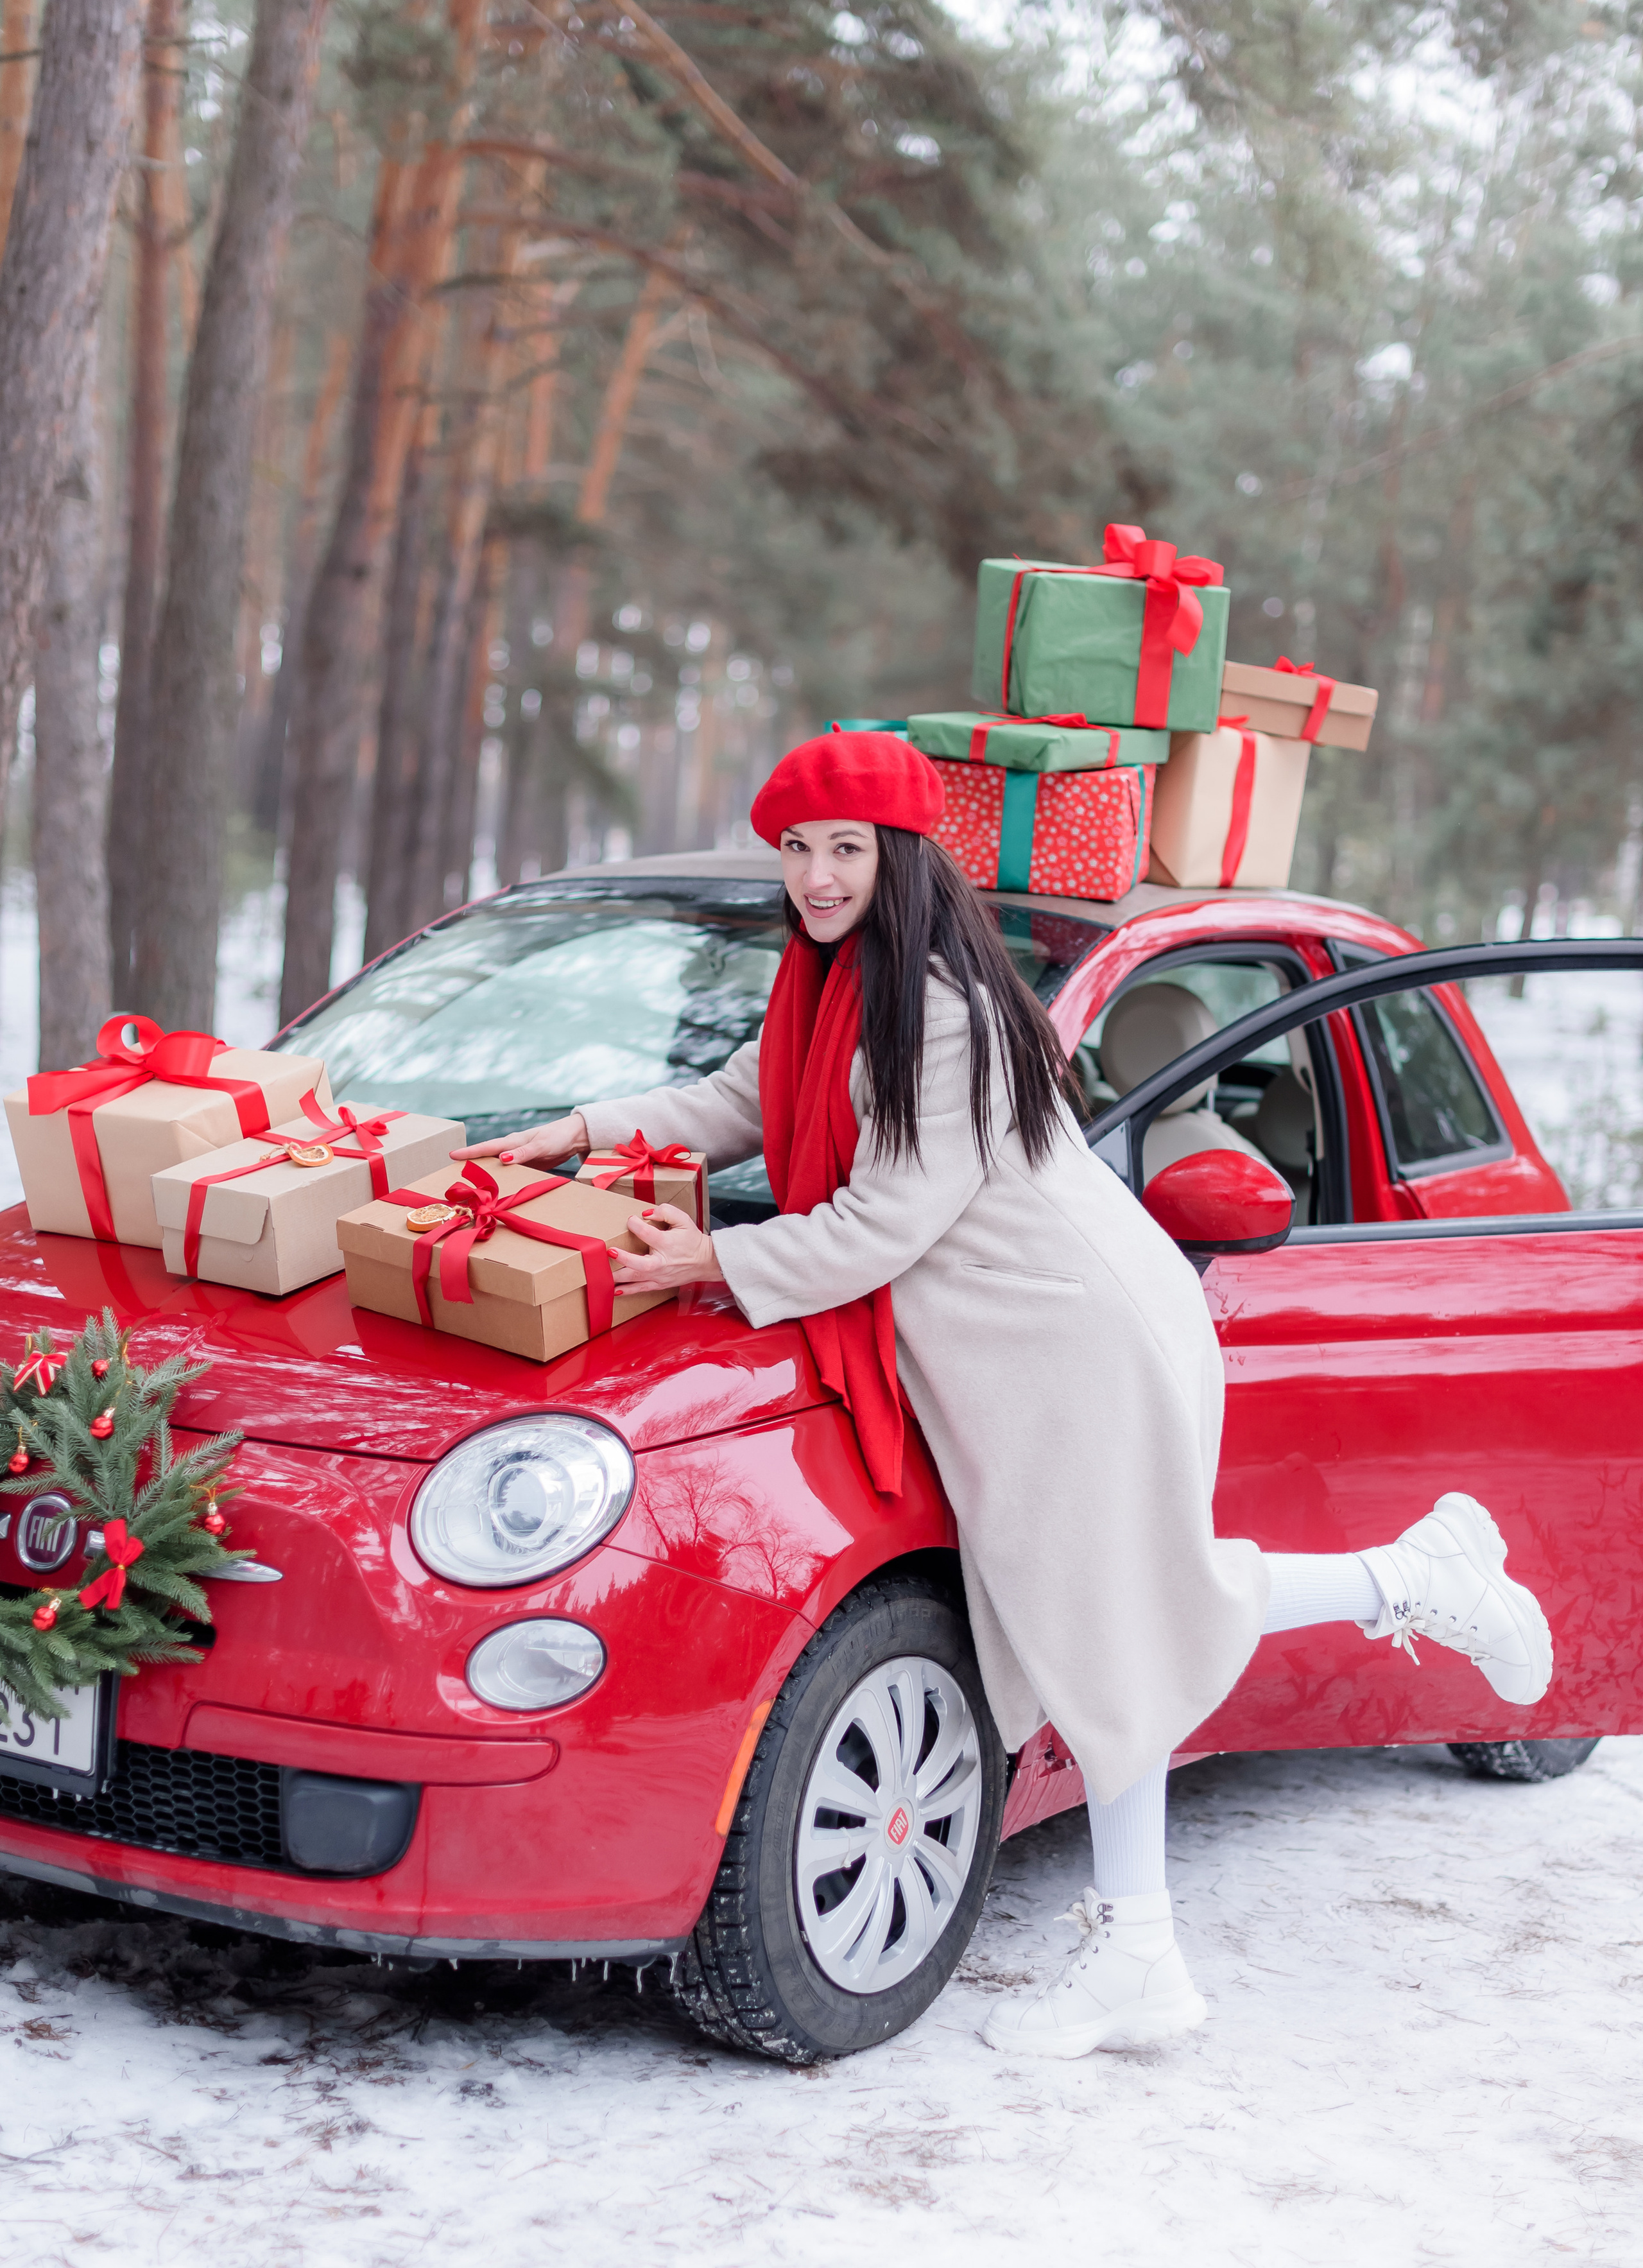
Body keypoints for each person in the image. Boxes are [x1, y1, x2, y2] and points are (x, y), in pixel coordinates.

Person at [453, 730, 1553, 2062]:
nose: (813, 875)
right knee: (1120, 1623)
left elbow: (881, 1225)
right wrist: (578, 1130)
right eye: (796, 848)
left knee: (1119, 1624)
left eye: (843, 849)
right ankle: (1369, 1644)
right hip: (1002, 1341)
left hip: (1071, 1339)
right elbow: (737, 1101)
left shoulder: (946, 1015)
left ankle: (1405, 1604)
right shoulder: (827, 990)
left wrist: (710, 1257)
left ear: (899, 858)